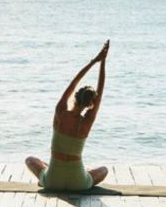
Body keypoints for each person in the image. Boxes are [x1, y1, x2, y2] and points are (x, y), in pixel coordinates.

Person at [26, 40, 109, 190]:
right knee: (104, 170)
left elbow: (74, 82)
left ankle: (49, 172)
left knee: (30, 160)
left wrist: (94, 61)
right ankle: (80, 173)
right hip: (79, 183)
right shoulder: (87, 122)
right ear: (91, 104)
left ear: (76, 96)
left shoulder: (60, 112)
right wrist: (103, 63)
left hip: (52, 181)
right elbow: (101, 90)